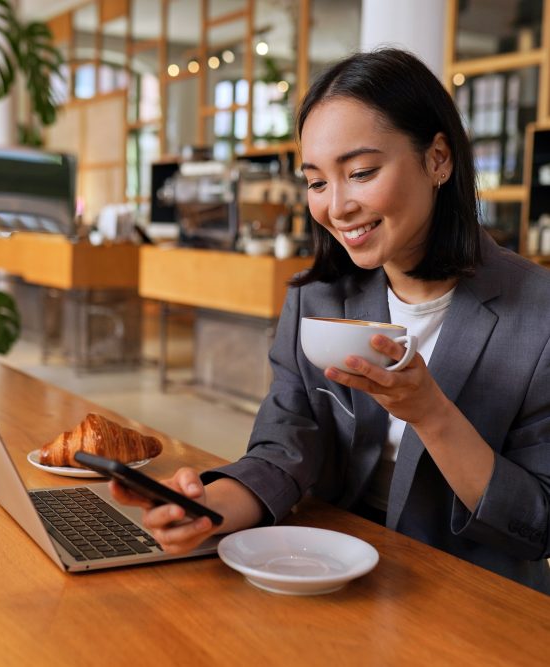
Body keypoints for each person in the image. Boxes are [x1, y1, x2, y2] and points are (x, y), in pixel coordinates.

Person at [112, 48, 550, 593]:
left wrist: (432, 415)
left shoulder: (538, 314)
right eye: (317, 182)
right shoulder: (316, 297)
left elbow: (537, 522)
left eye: (361, 172)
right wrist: (209, 509)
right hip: (328, 570)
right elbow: (285, 446)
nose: (336, 207)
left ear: (438, 158)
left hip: (473, 594)